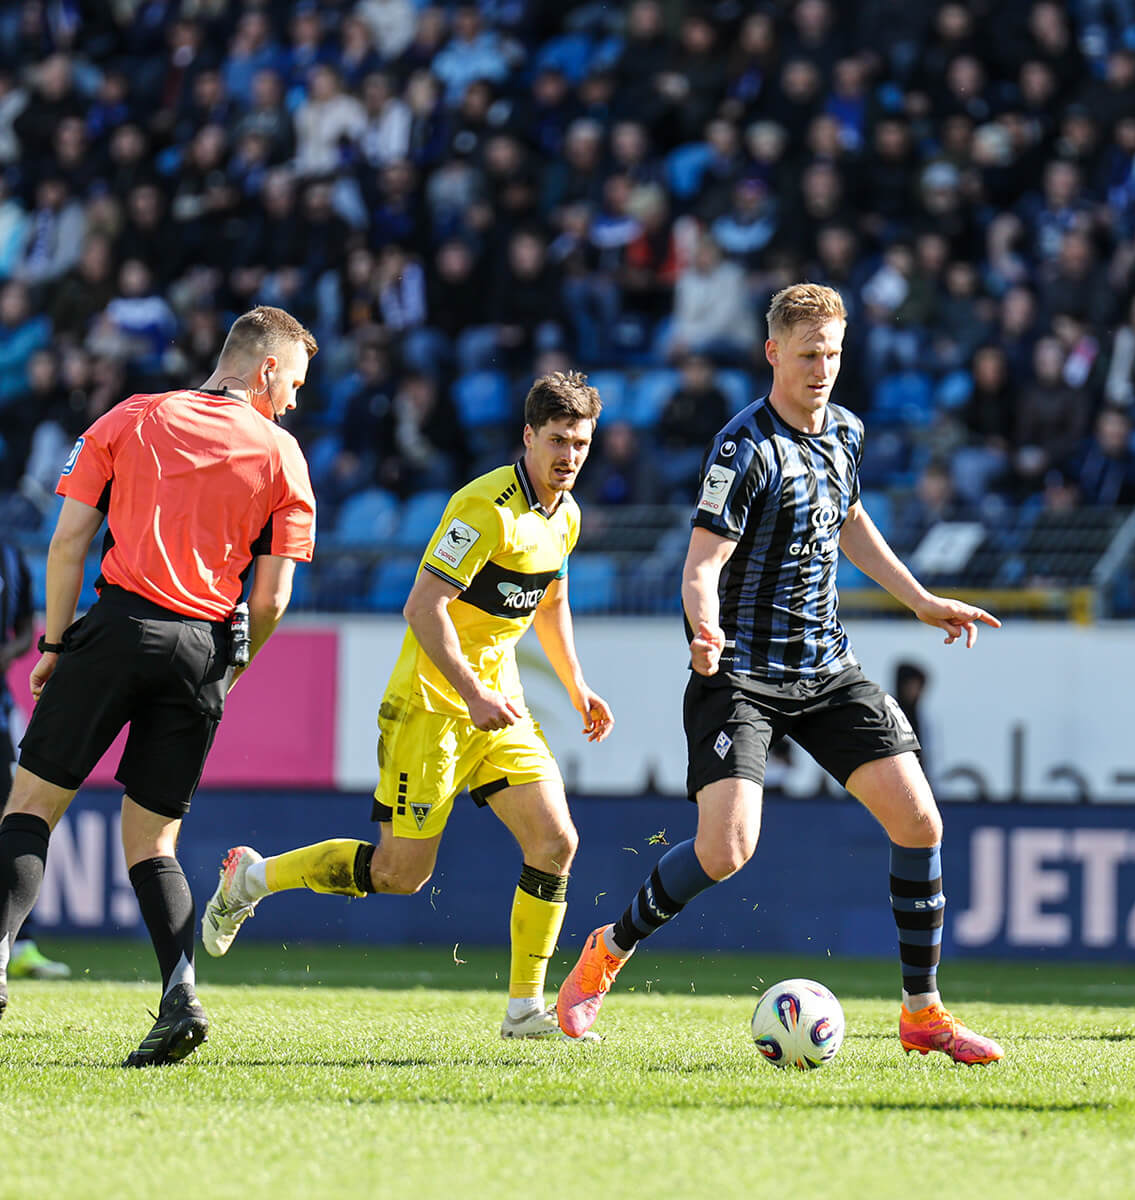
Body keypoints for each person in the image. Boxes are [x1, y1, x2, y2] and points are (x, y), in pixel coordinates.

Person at [554, 283, 1005, 1064]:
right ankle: (610, 947)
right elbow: (703, 563)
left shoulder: (848, 432)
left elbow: (851, 520)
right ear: (773, 354)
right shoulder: (743, 448)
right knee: (727, 850)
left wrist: (922, 601)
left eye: (833, 353)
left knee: (920, 822)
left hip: (826, 666)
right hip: (742, 673)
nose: (822, 368)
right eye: (808, 355)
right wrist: (704, 626)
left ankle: (923, 1014)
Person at [202, 371, 614, 1042]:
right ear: (528, 437)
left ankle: (523, 1009)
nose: (569, 456)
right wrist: (472, 691)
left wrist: (576, 686)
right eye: (558, 441)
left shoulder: (563, 516)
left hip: (497, 708)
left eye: (581, 443)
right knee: (400, 873)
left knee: (556, 841)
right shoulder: (485, 508)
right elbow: (423, 607)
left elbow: (553, 603)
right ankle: (252, 878)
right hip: (430, 708)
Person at [0, 305, 318, 1067]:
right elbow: (270, 601)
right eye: (297, 382)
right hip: (204, 650)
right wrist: (228, 671)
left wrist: (52, 643)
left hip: (117, 628)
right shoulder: (283, 453)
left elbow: (70, 539)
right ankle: (181, 997)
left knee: (34, 804)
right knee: (154, 839)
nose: (298, 401)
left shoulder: (134, 417)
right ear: (267, 369)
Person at [0, 541, 68, 981]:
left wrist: (9, 653)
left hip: (1, 711)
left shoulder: (10, 552)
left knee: (14, 814)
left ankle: (19, 942)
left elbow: (26, 628)